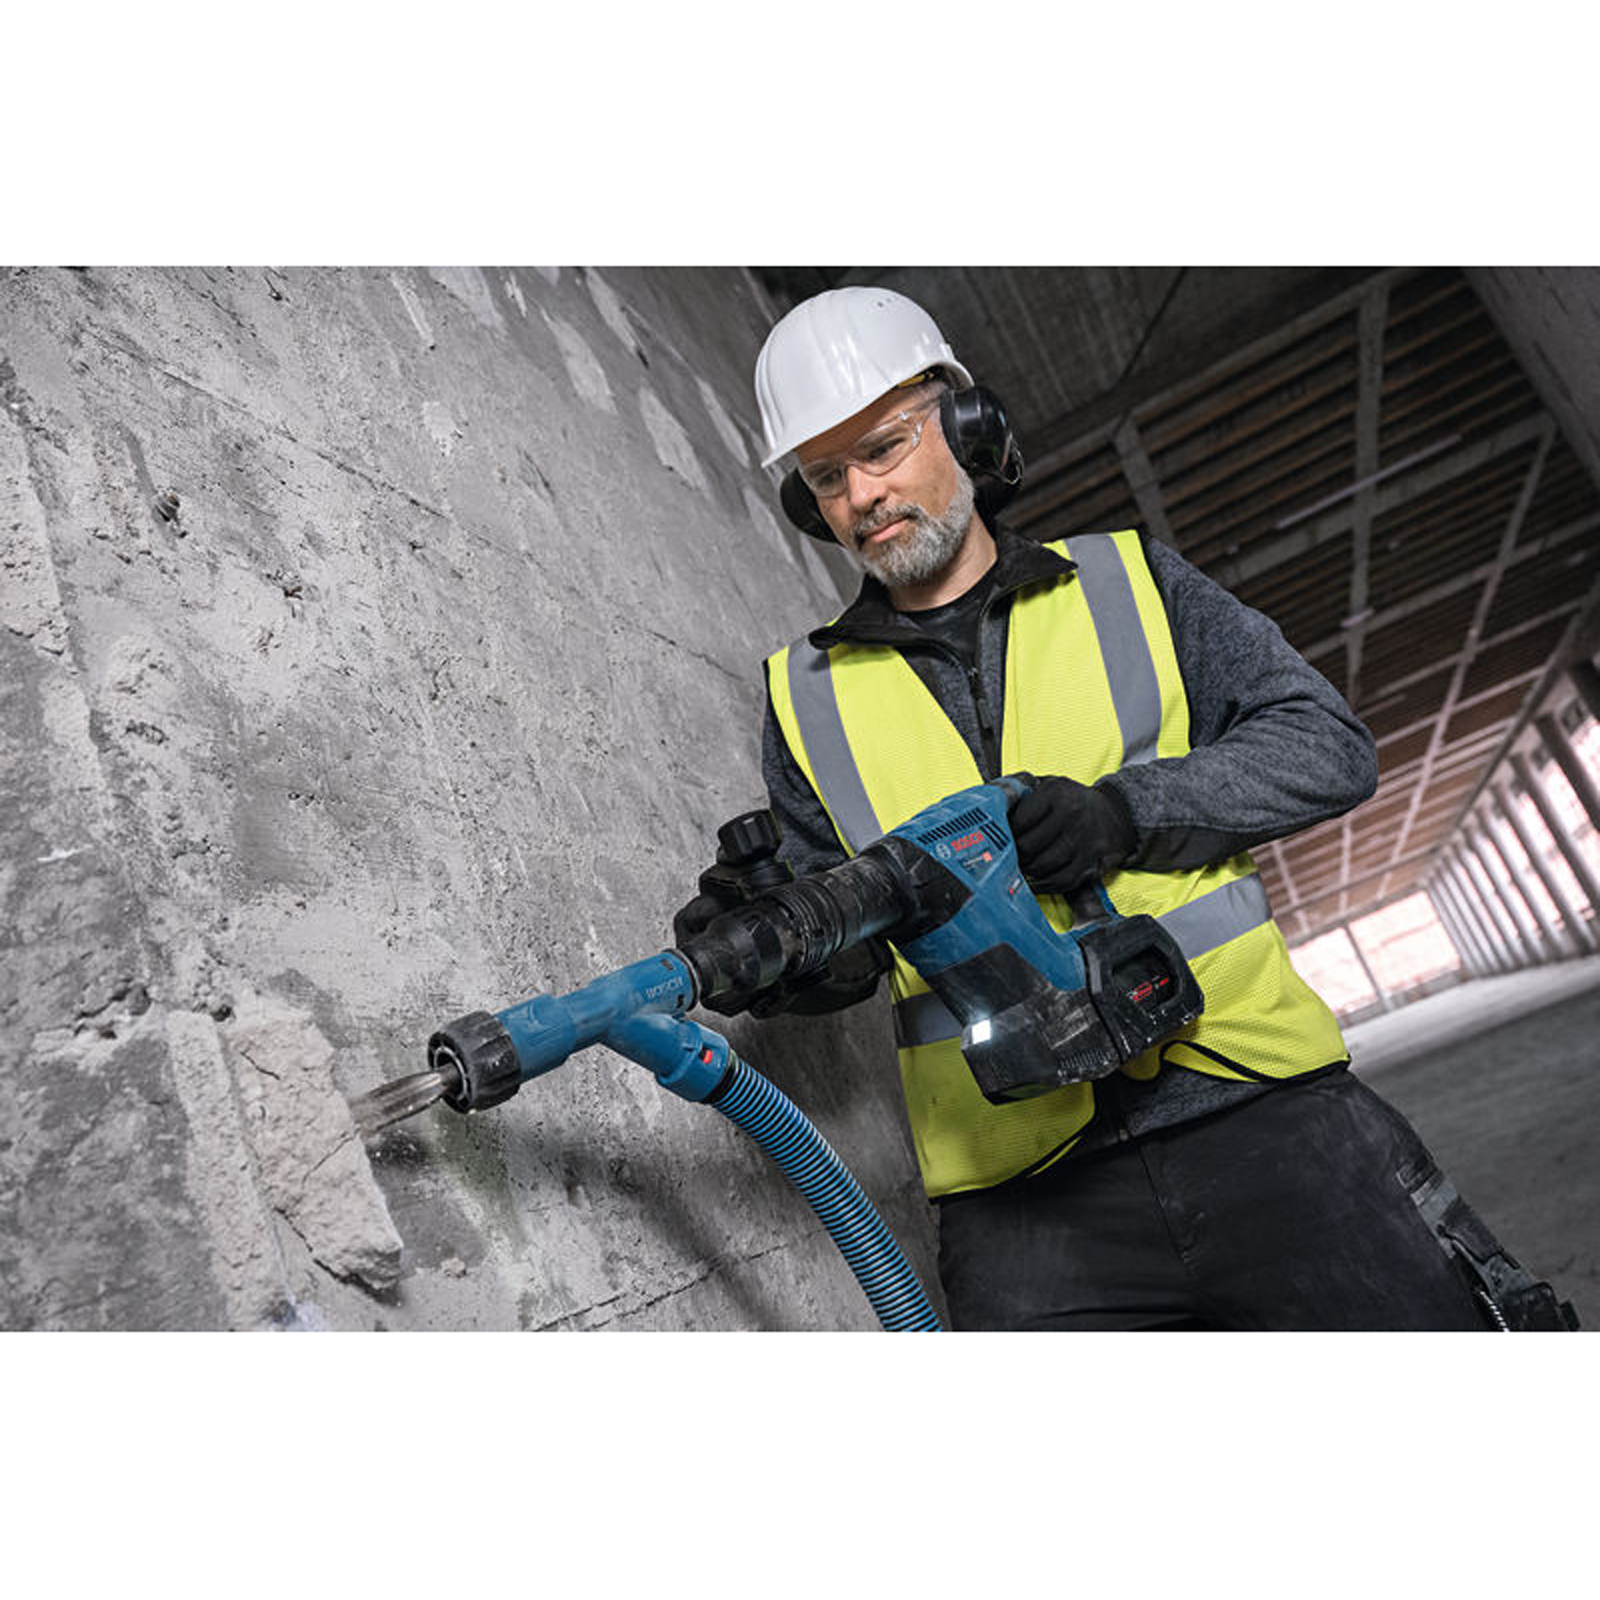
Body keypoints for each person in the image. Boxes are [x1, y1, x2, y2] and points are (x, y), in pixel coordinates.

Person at [676, 284, 1576, 1332]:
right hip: (1021, 1195)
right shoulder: (803, 695)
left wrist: (1125, 811)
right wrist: (775, 951)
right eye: (827, 477)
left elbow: (1327, 748)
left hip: (1256, 1104)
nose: (862, 496)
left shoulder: (1130, 582)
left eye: (882, 448)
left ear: (966, 427)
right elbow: (856, 946)